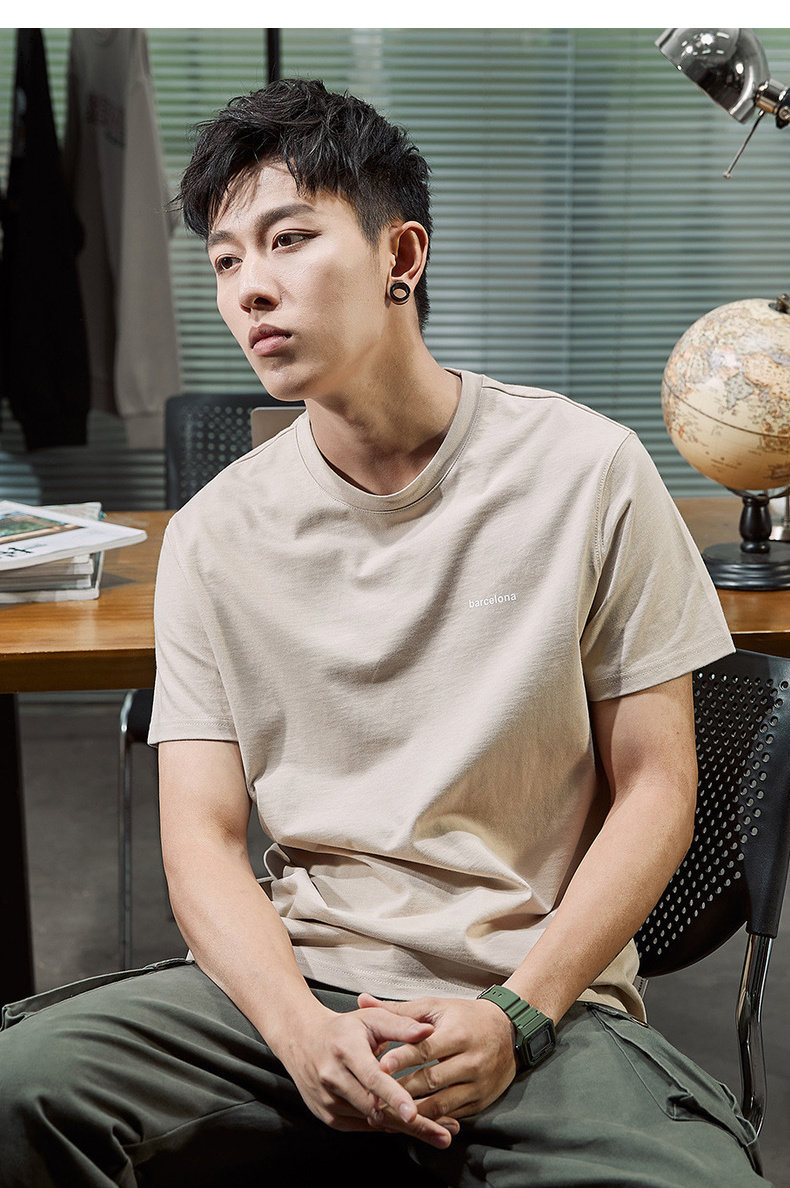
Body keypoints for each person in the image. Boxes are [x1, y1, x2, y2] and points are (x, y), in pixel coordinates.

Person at [0, 78, 769, 1187]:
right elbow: (201, 838)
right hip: (298, 985)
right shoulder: (213, 534)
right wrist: (298, 1031)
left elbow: (657, 788)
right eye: (224, 260)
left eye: (289, 239)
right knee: (18, 1086)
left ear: (400, 255)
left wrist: (518, 1015)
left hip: (536, 999)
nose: (250, 288)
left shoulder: (588, 473)